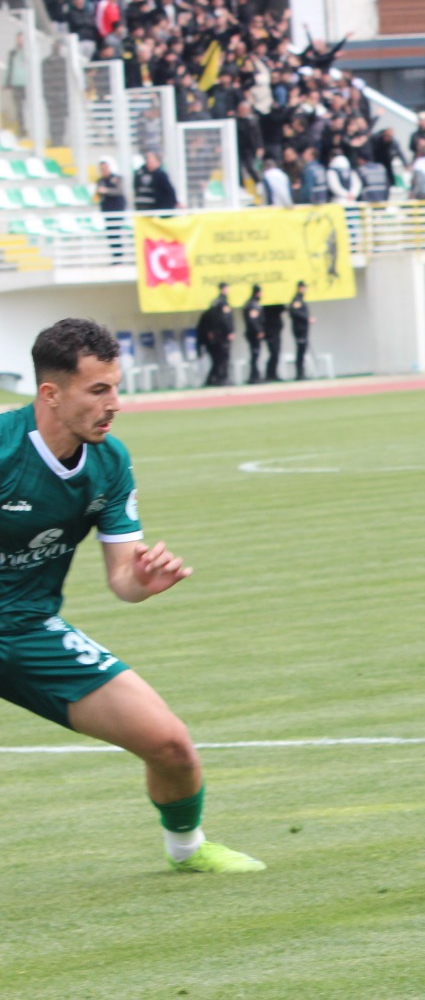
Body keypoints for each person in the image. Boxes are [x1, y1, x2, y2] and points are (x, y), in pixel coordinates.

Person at [1, 320, 265, 873]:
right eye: (98, 390)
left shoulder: (109, 463)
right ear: (51, 393)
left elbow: (122, 576)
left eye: (116, 388)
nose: (115, 404)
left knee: (170, 744)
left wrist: (140, 582)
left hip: (27, 630)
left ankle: (187, 850)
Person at [196, 284, 233, 386]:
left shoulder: (214, 306)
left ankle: (212, 380)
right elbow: (225, 320)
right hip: (220, 337)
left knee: (218, 360)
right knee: (221, 358)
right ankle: (221, 378)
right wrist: (229, 331)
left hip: (214, 338)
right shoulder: (222, 303)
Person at [95, 157, 128, 262]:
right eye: (102, 168)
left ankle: (119, 256)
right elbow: (97, 194)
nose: (103, 170)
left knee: (116, 232)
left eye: (105, 168)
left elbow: (119, 191)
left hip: (117, 209)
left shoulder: (117, 179)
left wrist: (106, 191)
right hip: (107, 210)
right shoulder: (100, 181)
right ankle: (115, 256)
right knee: (110, 234)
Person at [288, 281, 314, 380]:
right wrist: (307, 318)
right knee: (300, 351)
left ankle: (301, 372)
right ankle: (299, 373)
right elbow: (295, 313)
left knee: (302, 351)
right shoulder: (297, 300)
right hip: (299, 329)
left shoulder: (300, 299)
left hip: (303, 329)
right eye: (304, 288)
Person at [242, 284, 265, 384]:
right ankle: (254, 377)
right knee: (254, 355)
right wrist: (258, 331)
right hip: (253, 334)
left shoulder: (253, 303)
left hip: (253, 333)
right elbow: (253, 320)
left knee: (255, 355)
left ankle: (255, 375)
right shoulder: (252, 304)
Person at [261, 302, 285, 381]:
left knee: (275, 354)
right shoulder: (267, 307)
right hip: (271, 333)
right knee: (274, 353)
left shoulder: (276, 305)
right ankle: (270, 374)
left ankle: (273, 374)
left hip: (275, 333)